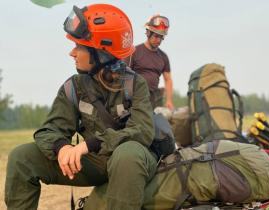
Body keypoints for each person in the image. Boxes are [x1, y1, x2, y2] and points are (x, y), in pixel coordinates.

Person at [5, 4, 157, 210]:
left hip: (133, 162)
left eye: (79, 46)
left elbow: (142, 131)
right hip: (95, 163)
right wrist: (62, 147)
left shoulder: (135, 84)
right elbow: (49, 130)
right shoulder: (73, 87)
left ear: (100, 53)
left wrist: (89, 145)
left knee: (127, 155)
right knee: (22, 157)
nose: (72, 53)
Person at [125, 15, 174, 110]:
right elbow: (126, 76)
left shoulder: (163, 57)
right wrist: (127, 100)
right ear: (148, 33)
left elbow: (168, 80)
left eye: (161, 37)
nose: (158, 40)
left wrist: (169, 101)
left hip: (154, 101)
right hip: (135, 99)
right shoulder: (134, 52)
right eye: (156, 36)